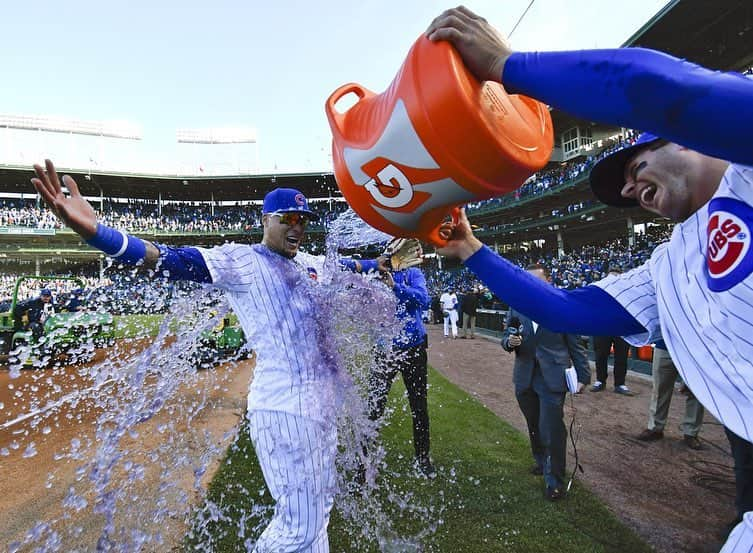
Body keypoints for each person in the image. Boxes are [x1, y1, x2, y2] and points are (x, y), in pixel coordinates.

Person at [426, 6, 753, 549]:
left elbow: (658, 91)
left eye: (632, 168)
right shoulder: (666, 265)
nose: (628, 191)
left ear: (680, 140)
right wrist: (470, 249)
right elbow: (565, 310)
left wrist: (508, 66)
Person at [29, 160, 405, 553]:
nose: (297, 226)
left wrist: (375, 264)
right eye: (288, 218)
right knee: (298, 526)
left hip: (319, 408)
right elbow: (169, 258)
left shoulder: (308, 263)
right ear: (266, 220)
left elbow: (343, 267)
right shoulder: (243, 261)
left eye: (303, 220)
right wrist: (99, 234)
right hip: (286, 411)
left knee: (317, 513)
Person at [502, 264, 590, 500]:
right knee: (533, 425)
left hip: (552, 376)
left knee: (551, 429)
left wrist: (583, 375)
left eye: (536, 280)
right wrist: (509, 342)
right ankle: (541, 461)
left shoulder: (561, 306)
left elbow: (576, 345)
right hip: (524, 376)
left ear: (548, 281)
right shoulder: (517, 305)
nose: (530, 285)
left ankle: (555, 480)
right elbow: (505, 337)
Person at [368, 244, 434, 477]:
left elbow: (425, 301)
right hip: (384, 348)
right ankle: (364, 464)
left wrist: (396, 287)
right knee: (373, 407)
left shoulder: (413, 273)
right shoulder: (374, 272)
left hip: (414, 348)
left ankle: (423, 458)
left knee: (419, 406)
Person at [638, 341, 704, 450]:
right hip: (665, 345)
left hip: (694, 348)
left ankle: (691, 433)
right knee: (660, 389)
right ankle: (655, 428)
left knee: (696, 391)